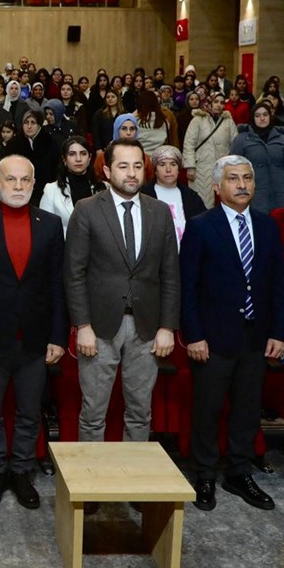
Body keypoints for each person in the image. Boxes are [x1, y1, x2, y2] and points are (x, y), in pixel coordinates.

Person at [180, 156, 284, 512]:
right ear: (217, 186)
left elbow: (278, 284)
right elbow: (187, 287)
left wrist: (279, 332)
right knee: (208, 409)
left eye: (247, 178)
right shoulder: (200, 226)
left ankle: (239, 472)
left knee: (247, 409)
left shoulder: (267, 226)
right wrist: (194, 335)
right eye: (233, 178)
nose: (241, 184)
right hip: (212, 338)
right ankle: (205, 473)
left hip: (256, 336)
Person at [0, 154, 65, 510]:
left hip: (34, 338)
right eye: (11, 179)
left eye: (24, 180)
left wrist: (58, 336)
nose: (18, 186)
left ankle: (21, 471)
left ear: (34, 184)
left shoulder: (50, 225)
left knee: (29, 413)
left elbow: (57, 285)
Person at [66, 139, 179, 448]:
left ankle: (135, 474)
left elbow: (170, 274)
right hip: (99, 328)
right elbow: (74, 274)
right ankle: (90, 476)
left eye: (137, 166)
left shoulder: (160, 212)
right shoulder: (87, 210)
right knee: (93, 413)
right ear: (107, 171)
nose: (131, 173)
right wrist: (82, 325)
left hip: (147, 327)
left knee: (141, 413)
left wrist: (167, 327)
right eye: (123, 166)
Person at [230, 102, 284, 214]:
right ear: (252, 118)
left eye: (265, 114)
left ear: (270, 116)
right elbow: (232, 167)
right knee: (257, 220)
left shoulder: (281, 138)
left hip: (278, 191)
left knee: (278, 221)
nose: (262, 118)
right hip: (252, 191)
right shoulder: (242, 139)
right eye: (258, 115)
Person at [140, 145, 205, 249]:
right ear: (155, 170)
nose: (168, 169)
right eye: (162, 164)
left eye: (173, 164)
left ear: (178, 169)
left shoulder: (191, 197)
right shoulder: (144, 195)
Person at [40, 136, 104, 237]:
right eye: (72, 154)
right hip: (65, 245)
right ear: (64, 159)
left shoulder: (104, 188)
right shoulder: (51, 190)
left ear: (89, 158)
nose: (78, 159)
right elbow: (45, 228)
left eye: (83, 153)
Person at [183, 92, 239, 208]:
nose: (219, 105)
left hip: (223, 167)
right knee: (202, 200)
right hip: (202, 167)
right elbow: (189, 144)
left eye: (222, 102)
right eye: (216, 102)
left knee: (225, 200)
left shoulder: (228, 121)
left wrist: (233, 166)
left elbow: (235, 145)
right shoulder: (198, 120)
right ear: (209, 103)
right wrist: (190, 166)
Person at [6, 111, 56, 204]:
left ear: (39, 125)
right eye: (26, 122)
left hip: (45, 192)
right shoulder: (14, 143)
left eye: (33, 122)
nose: (29, 126)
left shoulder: (49, 141)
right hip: (20, 191)